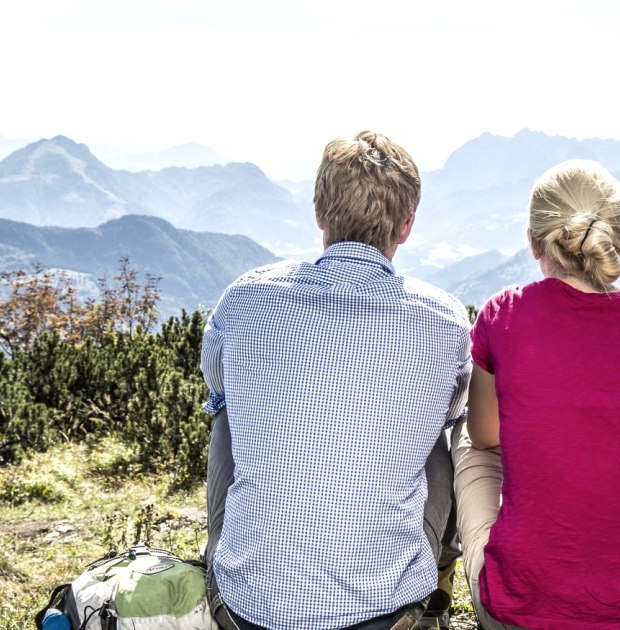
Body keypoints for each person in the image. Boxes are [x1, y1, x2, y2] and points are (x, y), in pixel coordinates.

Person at [201, 131, 469, 630]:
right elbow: (457, 409)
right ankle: (435, 584)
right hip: (387, 615)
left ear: (319, 214)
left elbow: (217, 384)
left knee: (225, 414)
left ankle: (226, 552)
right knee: (442, 433)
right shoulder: (445, 320)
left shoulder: (245, 298)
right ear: (407, 227)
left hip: (246, 611)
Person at [452, 159, 620, 630]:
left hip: (528, 612)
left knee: (467, 441)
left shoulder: (503, 316)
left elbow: (486, 435)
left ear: (535, 244)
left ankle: (435, 590)